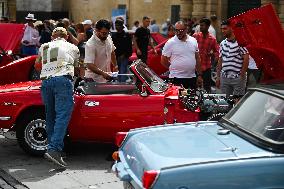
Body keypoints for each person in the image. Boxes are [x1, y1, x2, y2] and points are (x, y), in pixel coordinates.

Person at [34, 27, 80, 167]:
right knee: (63, 115)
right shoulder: (73, 47)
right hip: (62, 80)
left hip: (46, 81)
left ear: (53, 36)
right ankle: (54, 149)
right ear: (66, 37)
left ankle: (52, 147)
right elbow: (77, 69)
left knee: (51, 115)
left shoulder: (44, 46)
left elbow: (37, 66)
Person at [161, 20, 203, 89]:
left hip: (191, 77)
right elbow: (163, 60)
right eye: (176, 30)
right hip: (176, 78)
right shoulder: (170, 42)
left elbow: (197, 58)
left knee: (192, 98)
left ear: (186, 30)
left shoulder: (193, 40)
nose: (178, 33)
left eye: (181, 30)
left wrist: (199, 75)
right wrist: (173, 67)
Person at [216, 20, 249, 98]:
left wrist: (242, 74)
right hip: (224, 77)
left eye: (225, 29)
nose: (222, 31)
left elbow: (246, 58)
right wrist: (218, 77)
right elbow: (220, 60)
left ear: (231, 28)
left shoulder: (240, 42)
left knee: (237, 100)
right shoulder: (222, 43)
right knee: (225, 101)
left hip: (237, 77)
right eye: (221, 29)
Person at [193, 17, 219, 92]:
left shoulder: (212, 39)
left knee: (207, 88)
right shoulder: (195, 36)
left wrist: (212, 55)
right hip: (195, 67)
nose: (201, 27)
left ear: (208, 26)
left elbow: (217, 52)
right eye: (200, 25)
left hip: (206, 67)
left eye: (203, 25)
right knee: (193, 89)